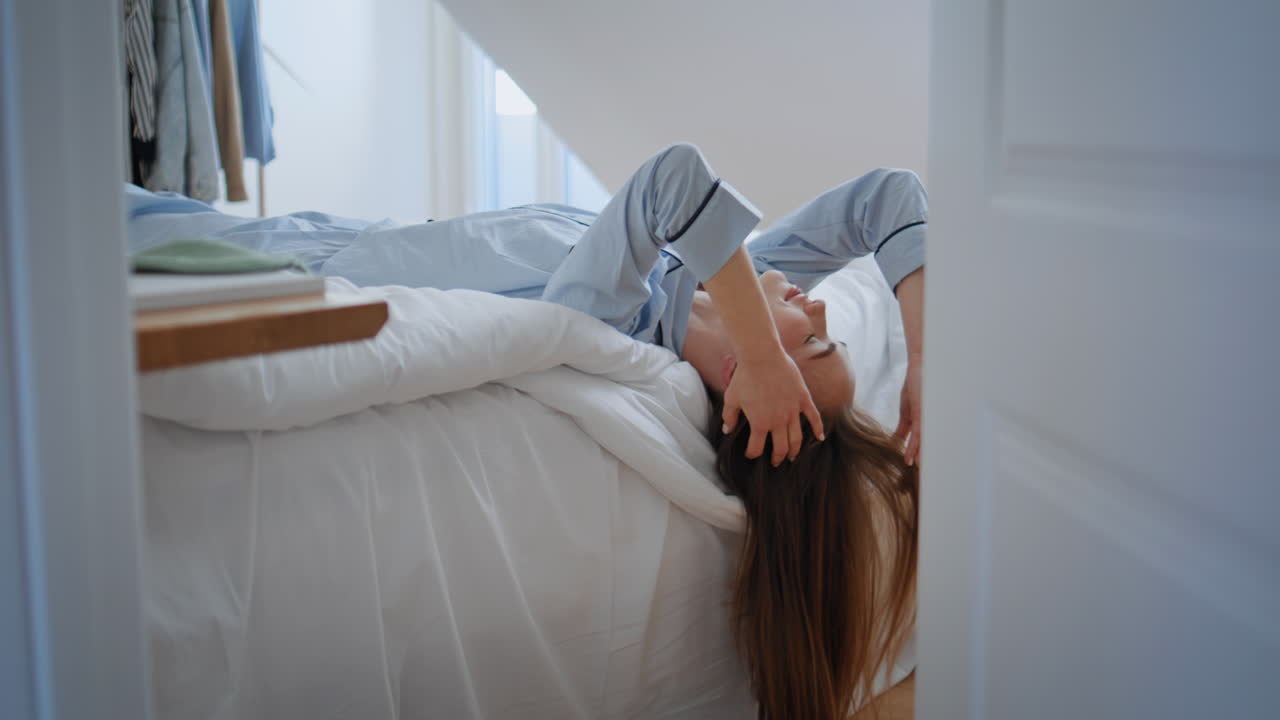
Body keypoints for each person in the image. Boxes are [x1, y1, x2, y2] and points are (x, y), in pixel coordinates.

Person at [125, 142, 925, 719]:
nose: (819, 305)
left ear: (741, 389)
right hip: (333, 227)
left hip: (299, 259)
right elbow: (890, 197)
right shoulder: (715, 283)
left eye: (812, 343)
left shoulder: (611, 315)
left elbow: (669, 180)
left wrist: (764, 351)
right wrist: (928, 359)